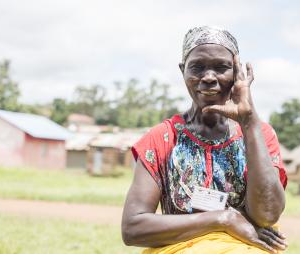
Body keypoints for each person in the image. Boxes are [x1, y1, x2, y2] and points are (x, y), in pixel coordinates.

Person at [122, 26, 288, 254]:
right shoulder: (161, 139)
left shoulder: (259, 134)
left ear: (237, 73)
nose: (209, 78)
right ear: (183, 71)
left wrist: (248, 122)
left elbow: (267, 215)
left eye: (221, 68)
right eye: (197, 67)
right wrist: (223, 219)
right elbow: (133, 228)